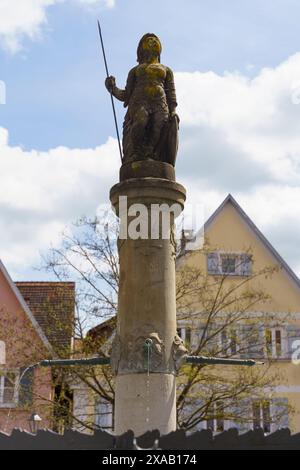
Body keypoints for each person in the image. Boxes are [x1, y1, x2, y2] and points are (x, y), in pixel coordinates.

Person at [105, 33, 179, 165]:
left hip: (160, 104)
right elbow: (126, 95)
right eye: (148, 40)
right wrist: (113, 88)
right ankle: (137, 153)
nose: (152, 41)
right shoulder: (135, 70)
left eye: (155, 39)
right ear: (141, 49)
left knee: (159, 126)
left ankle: (151, 154)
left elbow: (171, 92)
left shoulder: (167, 70)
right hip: (139, 102)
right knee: (140, 121)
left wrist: (173, 110)